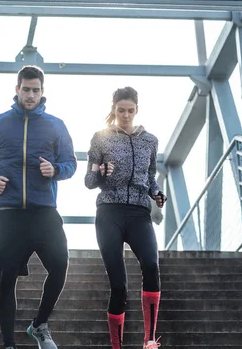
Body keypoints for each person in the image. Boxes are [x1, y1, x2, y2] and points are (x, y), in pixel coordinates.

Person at [0, 65, 77, 349]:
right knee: (7, 277)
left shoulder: (56, 125)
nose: (30, 95)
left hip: (44, 211)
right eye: (26, 89)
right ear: (16, 89)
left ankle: (39, 324)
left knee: (60, 265)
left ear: (43, 92)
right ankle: (9, 344)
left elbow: (71, 164)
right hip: (8, 214)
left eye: (36, 90)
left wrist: (55, 169)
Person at [84, 86, 166, 349]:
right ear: (114, 109)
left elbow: (150, 177)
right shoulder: (101, 138)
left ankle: (149, 339)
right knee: (119, 285)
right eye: (121, 110)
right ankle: (117, 346)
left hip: (139, 213)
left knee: (151, 267)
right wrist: (102, 172)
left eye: (131, 110)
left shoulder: (150, 140)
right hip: (109, 211)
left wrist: (157, 193)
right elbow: (89, 180)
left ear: (137, 110)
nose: (126, 115)